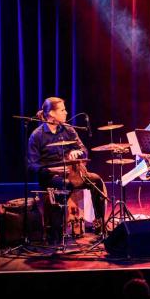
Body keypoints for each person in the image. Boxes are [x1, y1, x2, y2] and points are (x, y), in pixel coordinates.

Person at [27, 96, 107, 234]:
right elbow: (31, 165)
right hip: (51, 176)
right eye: (62, 110)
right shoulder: (37, 135)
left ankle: (100, 225)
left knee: (96, 181)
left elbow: (84, 151)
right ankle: (57, 229)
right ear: (51, 113)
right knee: (66, 183)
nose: (66, 113)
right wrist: (50, 169)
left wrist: (77, 152)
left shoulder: (68, 129)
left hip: (73, 173)